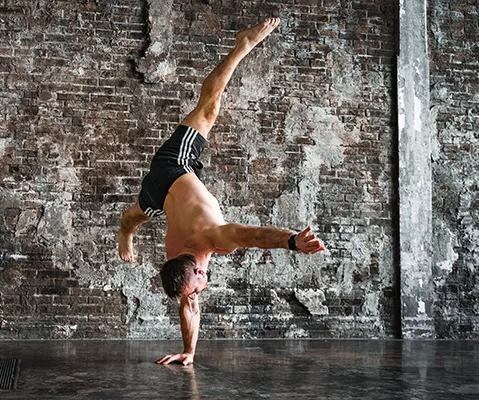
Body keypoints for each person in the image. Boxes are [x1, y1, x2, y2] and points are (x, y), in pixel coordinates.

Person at [117, 18, 325, 366]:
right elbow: (189, 304)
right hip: (159, 197)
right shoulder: (177, 265)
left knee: (208, 107)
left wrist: (292, 242)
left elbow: (256, 235)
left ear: (196, 271)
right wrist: (190, 351)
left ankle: (241, 46)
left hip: (173, 167)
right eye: (194, 291)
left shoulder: (216, 238)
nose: (199, 291)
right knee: (133, 216)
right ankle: (126, 232)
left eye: (196, 287)